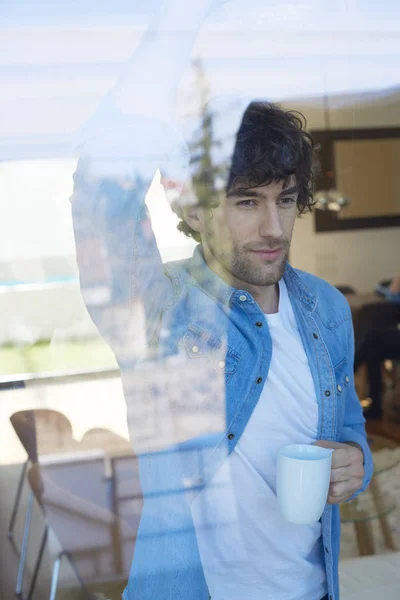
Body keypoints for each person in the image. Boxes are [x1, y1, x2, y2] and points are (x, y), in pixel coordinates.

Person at [71, 2, 373, 599]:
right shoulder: (158, 308)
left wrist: (353, 462)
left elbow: (348, 430)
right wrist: (171, 33)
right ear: (192, 209)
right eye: (245, 201)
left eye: (284, 199)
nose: (273, 227)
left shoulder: (326, 309)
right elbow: (100, 196)